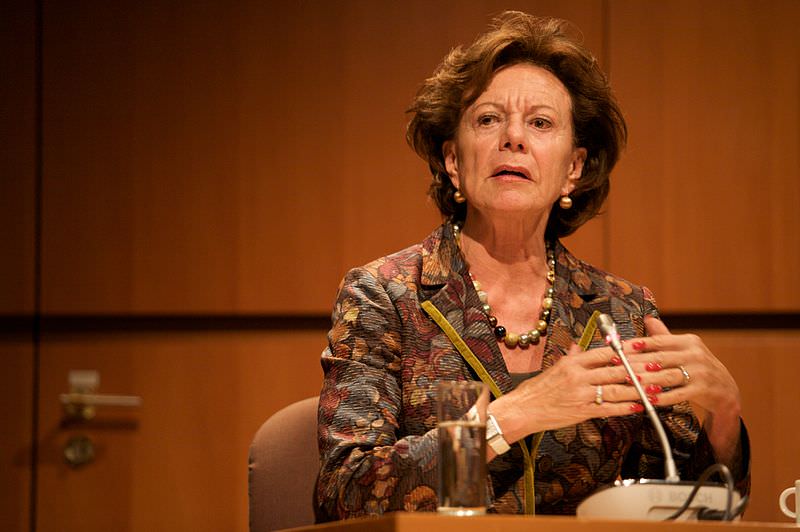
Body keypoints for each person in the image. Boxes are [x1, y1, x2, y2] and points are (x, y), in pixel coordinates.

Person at [315, 11, 749, 520]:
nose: (514, 138)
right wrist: (514, 415)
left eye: (540, 123)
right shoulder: (385, 295)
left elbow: (687, 507)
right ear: (453, 160)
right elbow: (344, 492)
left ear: (573, 168)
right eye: (488, 120)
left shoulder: (622, 312)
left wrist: (725, 416)